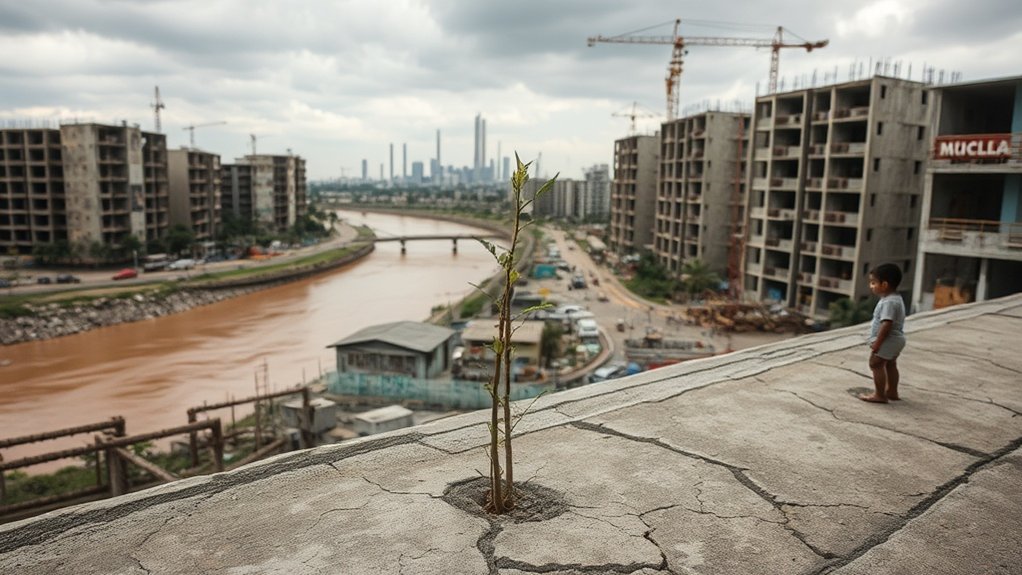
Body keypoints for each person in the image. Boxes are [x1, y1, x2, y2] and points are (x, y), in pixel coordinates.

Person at [860, 263, 906, 404]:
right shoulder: (895, 298)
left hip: (889, 339)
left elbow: (886, 324)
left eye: (873, 283)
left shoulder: (889, 302)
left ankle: (880, 395)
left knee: (875, 364)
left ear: (884, 284)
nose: (871, 286)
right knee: (890, 364)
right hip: (897, 340)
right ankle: (892, 391)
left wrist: (877, 344)